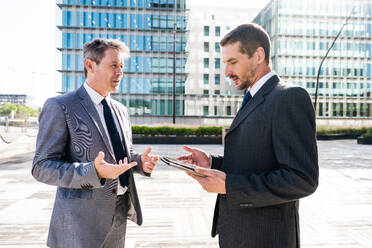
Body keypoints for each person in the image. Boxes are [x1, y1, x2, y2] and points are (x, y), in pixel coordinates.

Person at [178, 23, 319, 248]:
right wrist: (212, 162)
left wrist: (230, 186)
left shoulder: (289, 97)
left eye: (233, 62)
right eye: (225, 63)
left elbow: (302, 180)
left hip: (265, 238)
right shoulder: (253, 97)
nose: (227, 72)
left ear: (259, 55)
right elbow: (255, 161)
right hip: (238, 234)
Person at [32, 38, 159, 248]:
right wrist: (94, 171)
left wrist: (140, 163)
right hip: (79, 223)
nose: (120, 72)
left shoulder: (120, 110)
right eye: (113, 66)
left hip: (118, 215)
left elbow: (119, 155)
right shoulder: (60, 106)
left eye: (121, 66)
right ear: (90, 65)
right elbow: (41, 167)